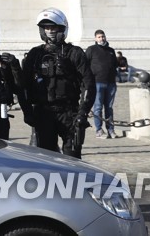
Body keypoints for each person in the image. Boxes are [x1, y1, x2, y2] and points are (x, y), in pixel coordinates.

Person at [22, 9, 95, 158]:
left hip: (69, 112)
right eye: (47, 28)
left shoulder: (75, 53)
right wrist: (27, 112)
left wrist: (83, 112)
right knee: (47, 159)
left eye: (53, 27)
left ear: (62, 28)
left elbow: (88, 84)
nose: (50, 31)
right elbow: (24, 85)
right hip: (44, 113)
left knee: (72, 158)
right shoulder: (35, 54)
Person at [85, 29, 119, 139]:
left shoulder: (111, 50)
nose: (101, 38)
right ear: (95, 38)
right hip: (97, 82)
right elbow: (85, 65)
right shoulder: (91, 49)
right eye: (99, 37)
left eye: (103, 36)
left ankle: (111, 130)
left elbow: (115, 65)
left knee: (109, 108)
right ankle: (99, 130)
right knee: (98, 107)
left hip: (110, 83)